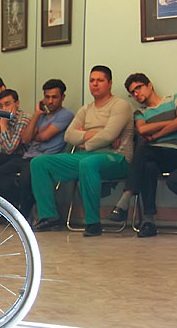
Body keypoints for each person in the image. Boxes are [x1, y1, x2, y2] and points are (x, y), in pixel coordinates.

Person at [31, 65, 134, 237]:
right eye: (92, 80)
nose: (95, 84)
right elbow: (69, 135)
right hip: (86, 156)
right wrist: (95, 135)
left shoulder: (120, 105)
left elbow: (109, 135)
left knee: (88, 163)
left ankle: (93, 223)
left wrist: (85, 140)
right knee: (39, 163)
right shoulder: (85, 109)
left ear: (109, 83)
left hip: (116, 158)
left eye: (100, 80)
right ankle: (49, 217)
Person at [0, 79, 74, 219]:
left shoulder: (66, 115)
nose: (50, 101)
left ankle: (23, 215)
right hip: (26, 157)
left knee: (25, 178)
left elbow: (44, 136)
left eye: (54, 97)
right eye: (47, 97)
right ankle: (11, 208)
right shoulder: (41, 117)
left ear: (62, 97)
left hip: (44, 159)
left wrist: (36, 134)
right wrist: (36, 114)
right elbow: (26, 139)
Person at [108, 73, 177, 237]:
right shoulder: (140, 112)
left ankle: (126, 197)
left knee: (144, 150)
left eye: (138, 88)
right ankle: (149, 221)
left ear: (149, 85)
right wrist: (172, 123)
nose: (136, 94)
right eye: (132, 93)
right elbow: (142, 129)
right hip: (156, 156)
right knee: (148, 166)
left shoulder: (174, 99)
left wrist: (155, 135)